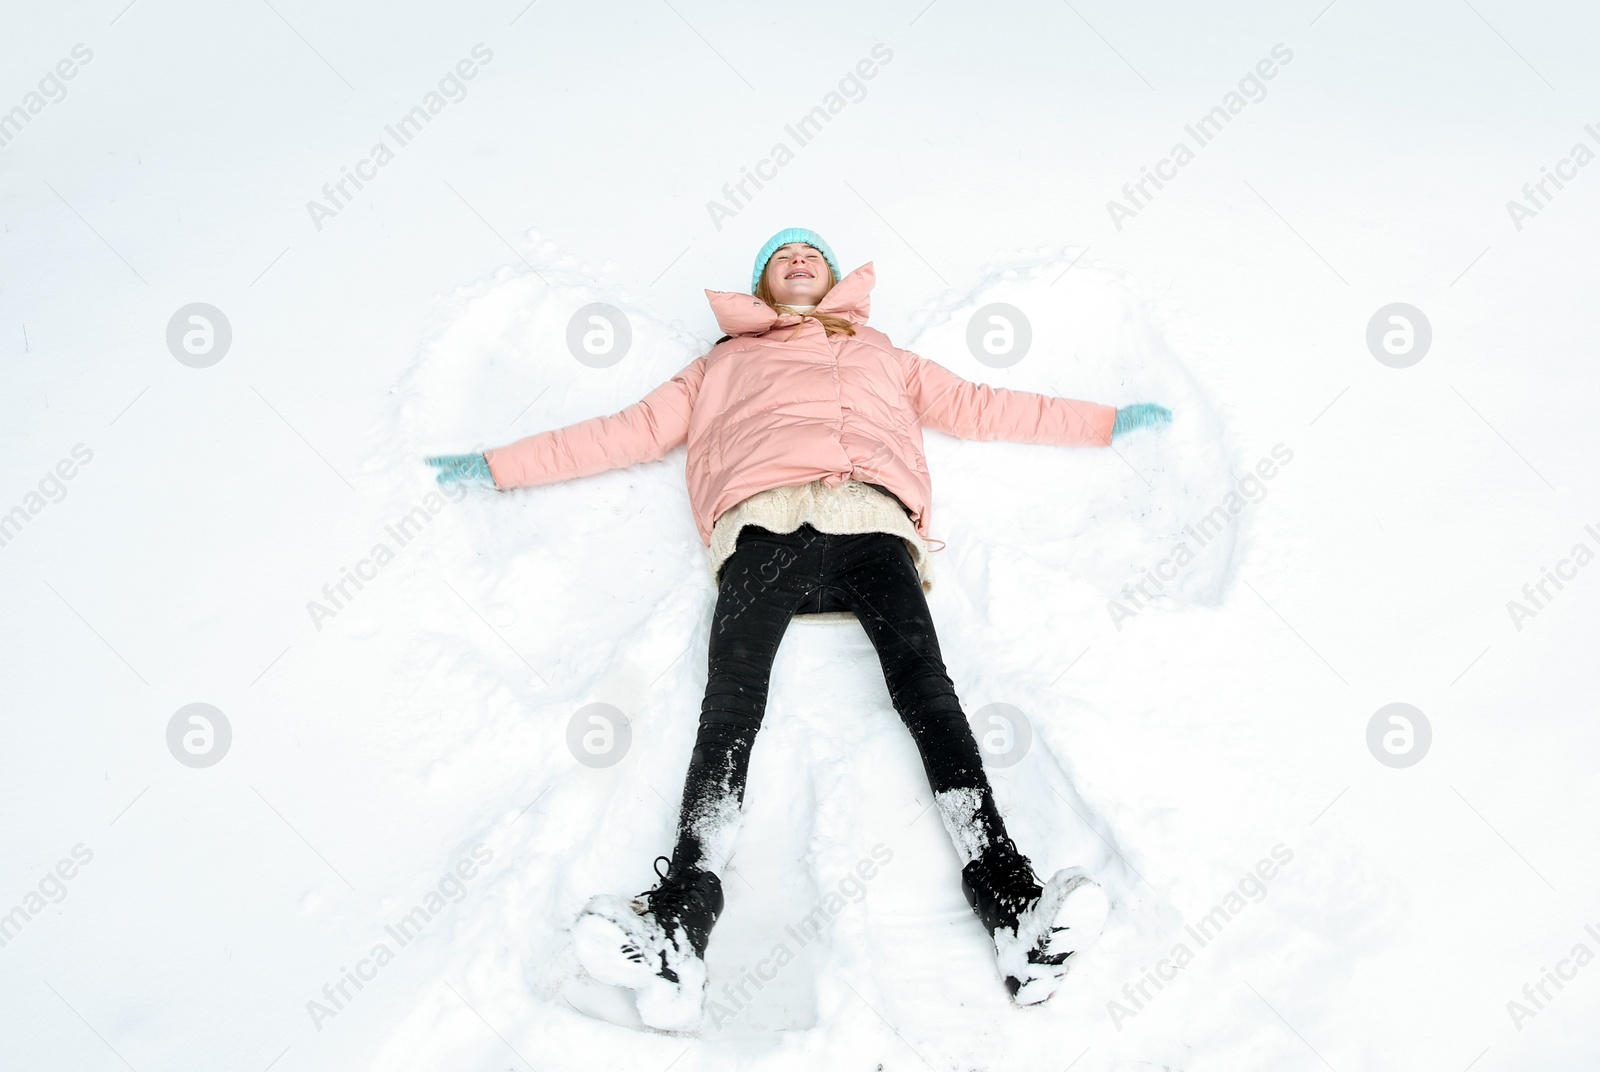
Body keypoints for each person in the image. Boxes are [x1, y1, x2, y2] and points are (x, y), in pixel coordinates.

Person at [428, 227, 1172, 1031]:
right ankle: (678, 922)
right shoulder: (722, 364)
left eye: (812, 254)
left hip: (871, 529)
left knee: (931, 695)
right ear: (762, 283)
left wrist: (1105, 422)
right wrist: (500, 466)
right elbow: (625, 430)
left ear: (834, 277)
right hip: (764, 532)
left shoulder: (881, 352)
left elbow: (983, 405)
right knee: (730, 707)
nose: (799, 262)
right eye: (783, 256)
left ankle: (1015, 907)